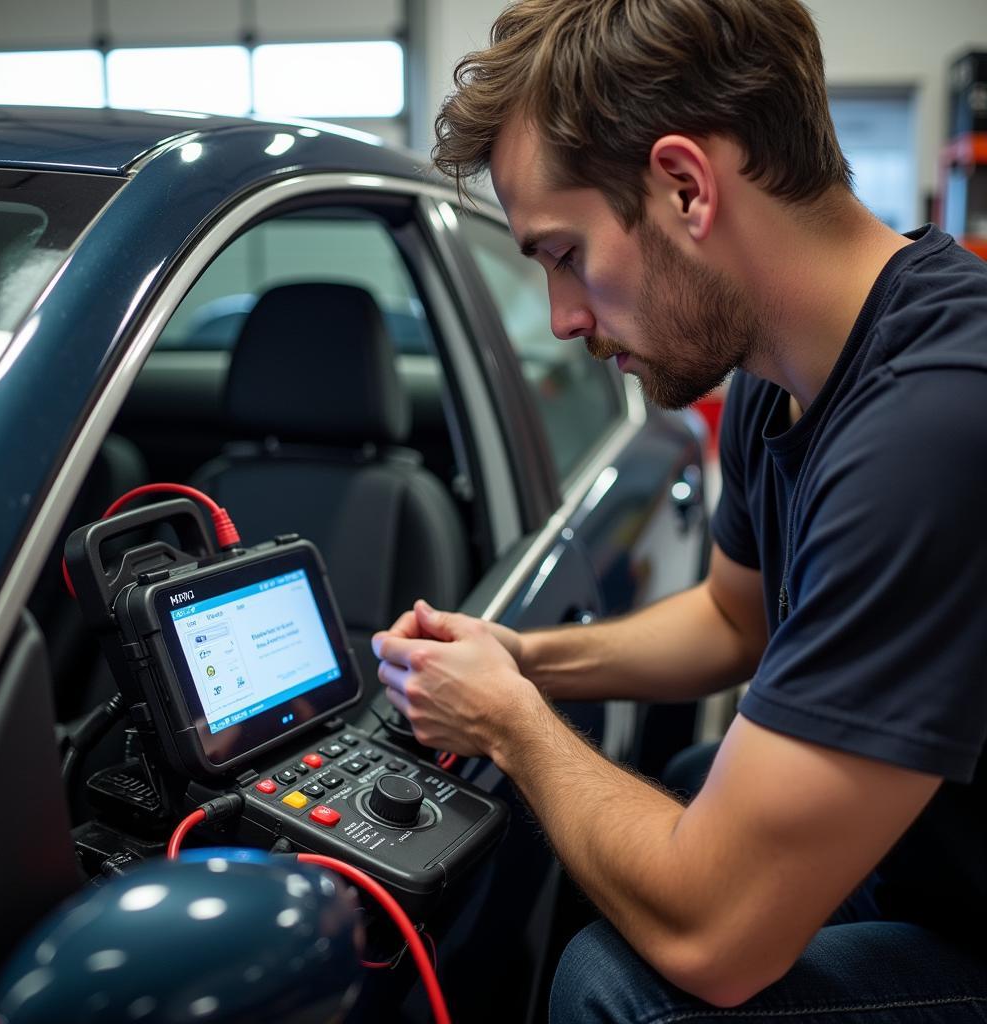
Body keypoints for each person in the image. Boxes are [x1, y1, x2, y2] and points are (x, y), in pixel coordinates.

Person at [372, 0, 987, 1019]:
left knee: (620, 989)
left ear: (685, 188)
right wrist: (521, 656)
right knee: (702, 772)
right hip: (941, 852)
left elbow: (718, 941)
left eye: (565, 255)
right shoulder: (773, 367)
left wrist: (514, 723)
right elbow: (732, 620)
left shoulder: (935, 423)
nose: (565, 318)